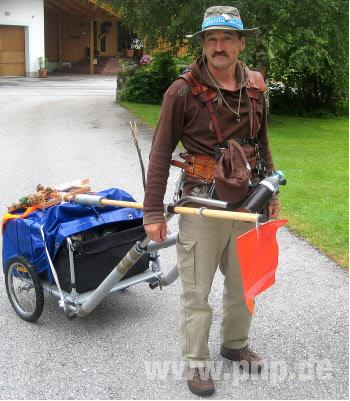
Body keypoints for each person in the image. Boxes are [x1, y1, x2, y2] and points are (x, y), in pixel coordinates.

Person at [143, 5, 281, 396]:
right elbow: (159, 153)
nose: (218, 46)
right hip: (200, 204)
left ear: (240, 43)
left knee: (243, 283)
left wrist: (273, 193)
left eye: (226, 38)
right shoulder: (182, 90)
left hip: (249, 201)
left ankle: (235, 345)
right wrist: (153, 211)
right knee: (197, 290)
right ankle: (197, 363)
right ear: (203, 44)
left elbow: (262, 143)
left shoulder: (255, 86)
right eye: (211, 39)